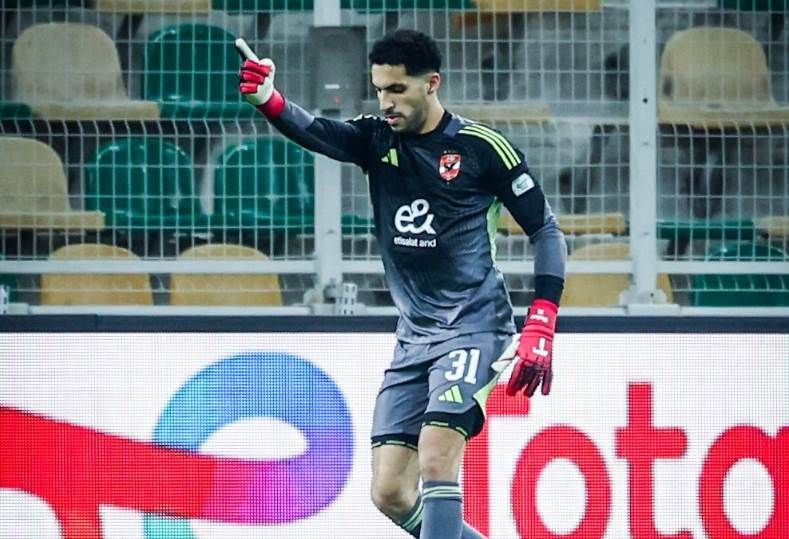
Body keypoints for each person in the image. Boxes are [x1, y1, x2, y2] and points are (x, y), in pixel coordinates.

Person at [237, 28, 566, 538]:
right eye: (379, 90)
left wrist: (541, 322)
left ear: (431, 84)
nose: (385, 102)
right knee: (389, 490)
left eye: (397, 89)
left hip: (474, 326)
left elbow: (545, 229)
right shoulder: (376, 138)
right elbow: (318, 130)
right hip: (415, 338)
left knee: (436, 455)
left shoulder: (481, 147)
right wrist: (269, 100)